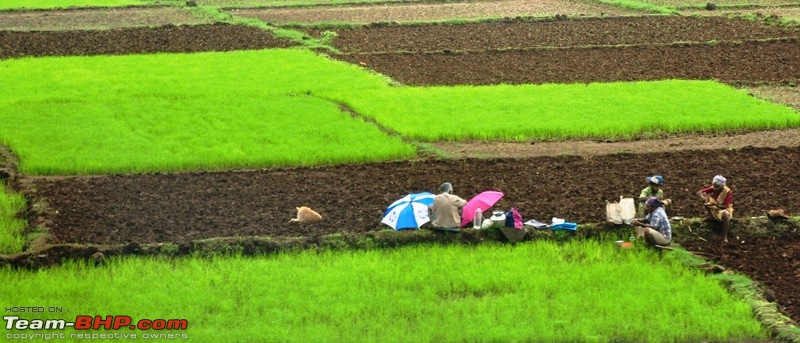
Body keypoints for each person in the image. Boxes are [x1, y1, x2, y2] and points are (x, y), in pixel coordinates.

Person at [696, 175, 734, 243]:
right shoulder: (714, 187)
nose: (715, 189)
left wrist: (716, 204)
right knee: (706, 199)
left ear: (722, 186)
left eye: (717, 187)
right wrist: (703, 198)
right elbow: (700, 192)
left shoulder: (727, 191)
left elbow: (725, 206)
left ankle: (724, 236)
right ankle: (712, 216)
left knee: (725, 214)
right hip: (715, 206)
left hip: (723, 209)